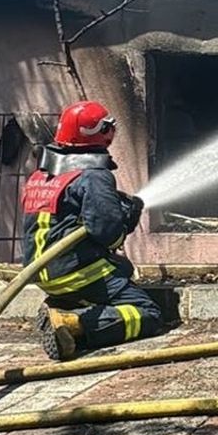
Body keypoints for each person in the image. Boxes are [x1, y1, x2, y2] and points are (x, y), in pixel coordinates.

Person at [21, 101, 161, 360]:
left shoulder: (41, 175)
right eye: (108, 127)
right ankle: (74, 323)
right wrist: (126, 218)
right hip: (77, 273)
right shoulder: (94, 175)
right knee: (147, 312)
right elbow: (107, 233)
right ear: (99, 132)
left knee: (123, 269)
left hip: (41, 272)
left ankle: (60, 307)